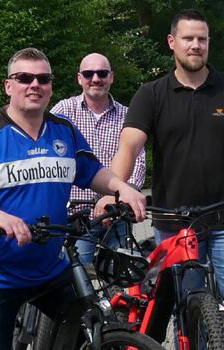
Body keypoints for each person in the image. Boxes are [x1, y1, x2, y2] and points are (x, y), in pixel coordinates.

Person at [0, 48, 147, 350]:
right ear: (8, 86)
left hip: (50, 268)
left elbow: (91, 171)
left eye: (43, 78)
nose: (34, 85)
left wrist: (121, 187)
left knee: (90, 322)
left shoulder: (63, 130)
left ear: (51, 86)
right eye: (24, 78)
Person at [111, 9, 224, 350]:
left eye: (202, 39)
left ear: (209, 43)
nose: (195, 45)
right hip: (175, 224)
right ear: (172, 42)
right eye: (188, 38)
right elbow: (129, 145)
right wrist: (115, 189)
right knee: (188, 311)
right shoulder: (152, 94)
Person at [50, 53, 147, 264]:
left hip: (117, 214)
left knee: (120, 281)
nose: (95, 78)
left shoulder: (127, 115)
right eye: (88, 74)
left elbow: (138, 162)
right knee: (77, 280)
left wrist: (116, 197)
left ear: (111, 77)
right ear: (79, 78)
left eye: (102, 73)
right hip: (77, 216)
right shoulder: (62, 112)